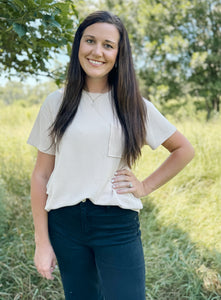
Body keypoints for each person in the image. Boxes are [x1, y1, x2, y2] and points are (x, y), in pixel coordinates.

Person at [28, 10, 194, 300]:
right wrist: (42, 243)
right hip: (65, 225)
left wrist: (145, 186)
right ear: (79, 44)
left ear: (119, 54)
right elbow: (41, 175)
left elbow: (183, 149)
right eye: (90, 41)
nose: (97, 51)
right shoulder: (56, 103)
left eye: (108, 45)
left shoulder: (134, 105)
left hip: (116, 224)